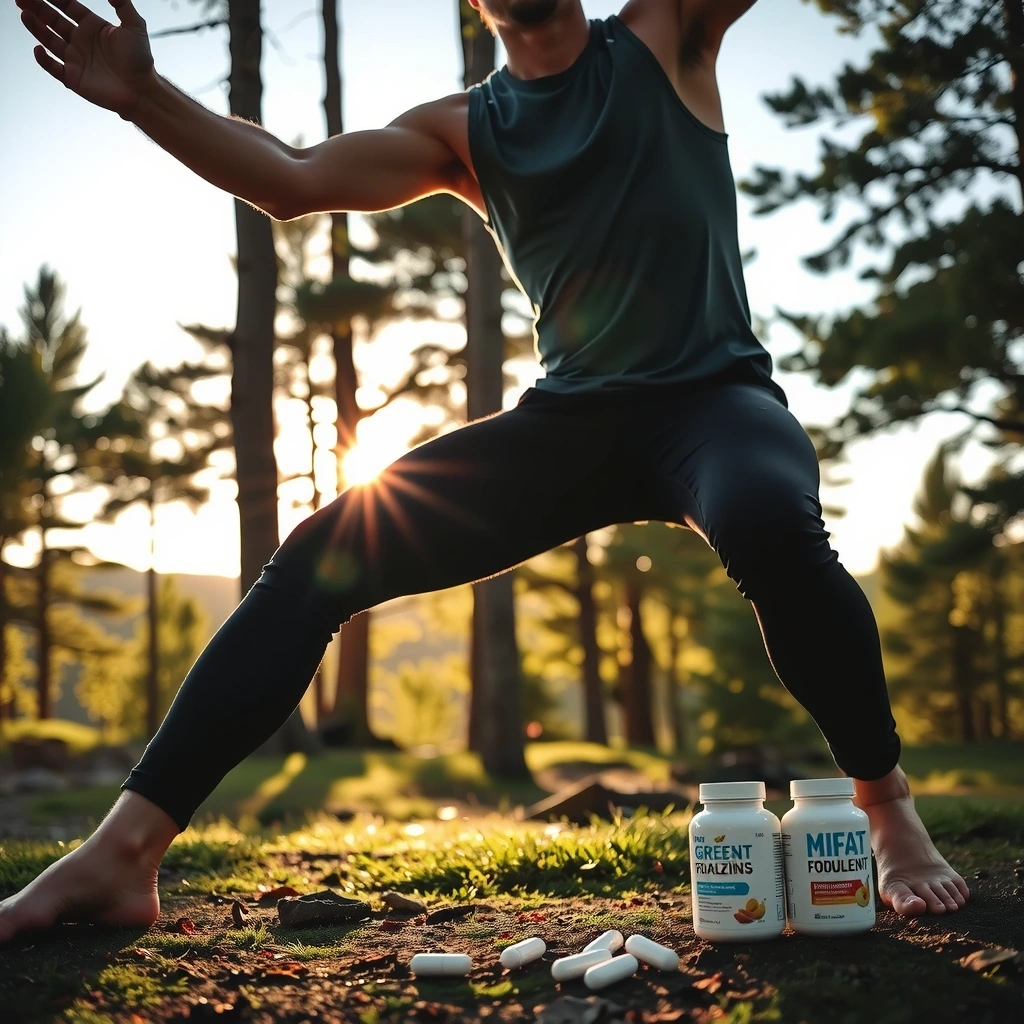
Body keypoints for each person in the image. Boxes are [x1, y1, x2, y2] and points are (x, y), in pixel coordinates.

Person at [2, 0, 969, 944]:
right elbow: (292, 178)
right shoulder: (464, 129)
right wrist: (143, 96)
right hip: (571, 418)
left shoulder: (668, 32)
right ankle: (126, 852)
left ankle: (887, 809)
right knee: (318, 556)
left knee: (766, 519)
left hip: (713, 402)